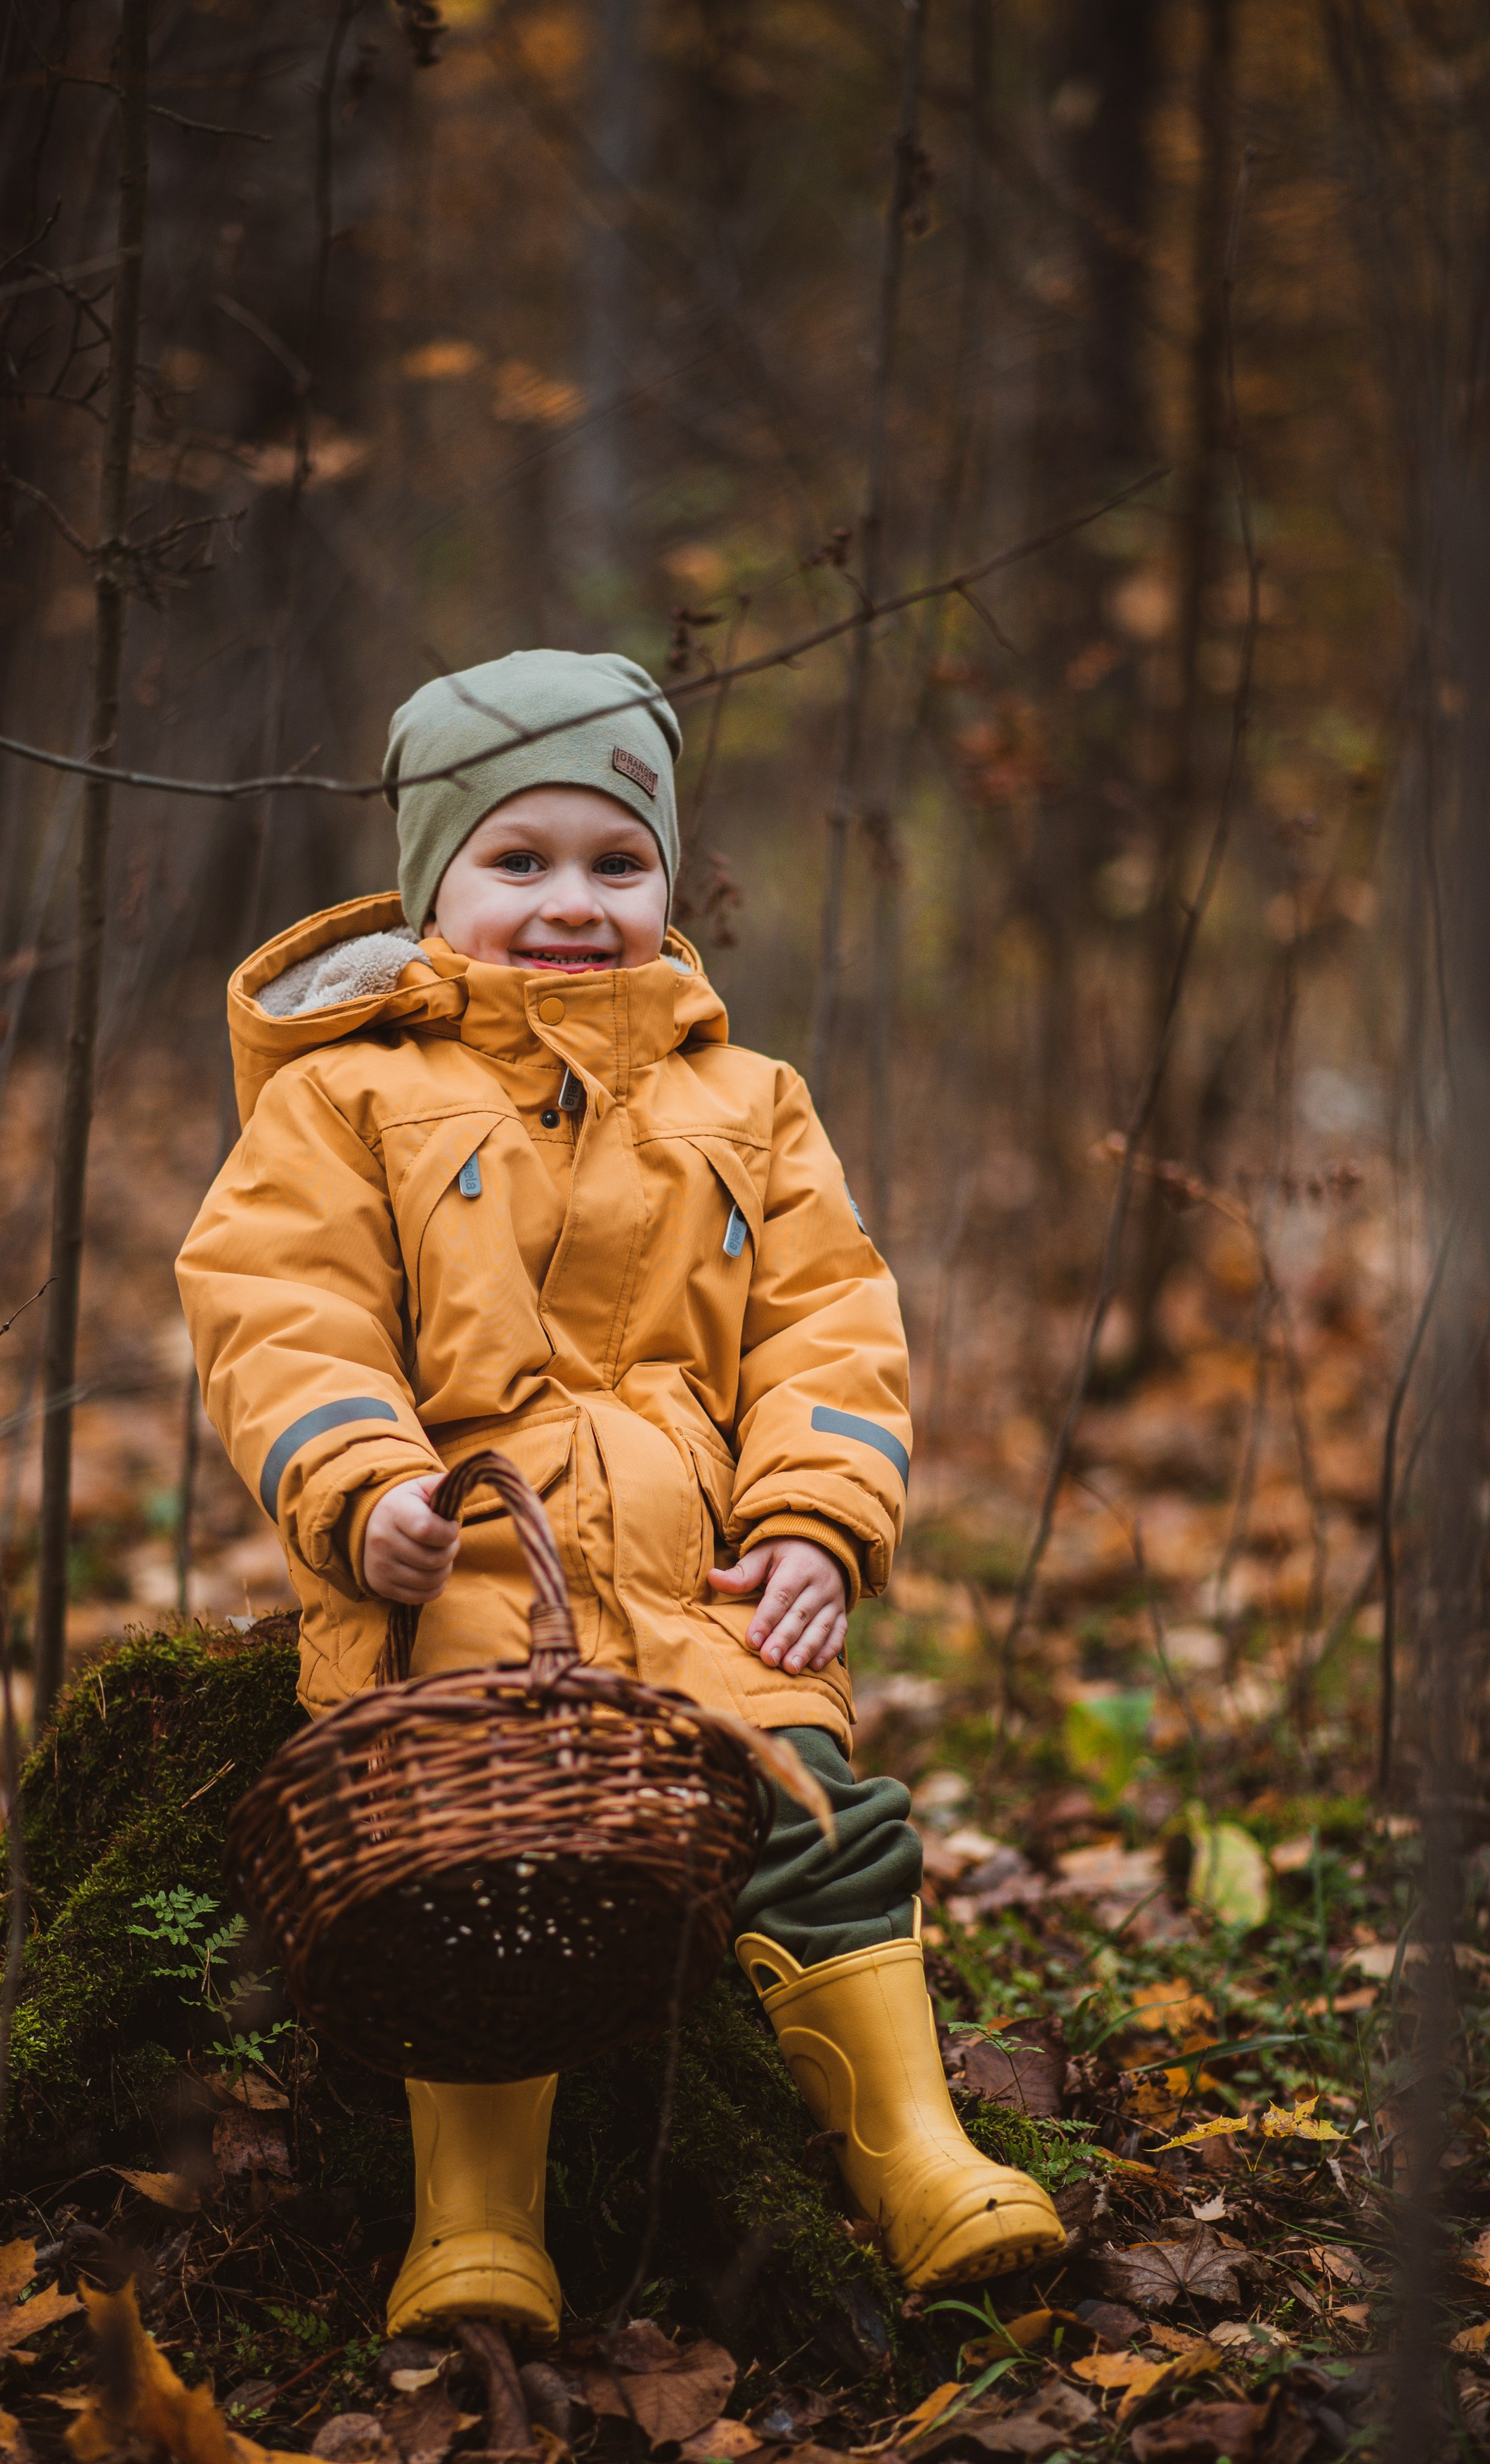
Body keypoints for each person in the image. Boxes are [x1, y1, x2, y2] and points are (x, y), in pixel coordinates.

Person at [177, 647, 1063, 2339]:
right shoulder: (342, 1096)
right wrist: (365, 1489)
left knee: (822, 1822)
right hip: (473, 1576)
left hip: (705, 1582)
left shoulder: (750, 1101)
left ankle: (912, 2149)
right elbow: (283, 1312)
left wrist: (810, 1522)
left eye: (615, 860)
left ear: (668, 876)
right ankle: (476, 2221)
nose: (570, 902)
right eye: (517, 862)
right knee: (479, 1876)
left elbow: (829, 1327)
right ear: (432, 885)